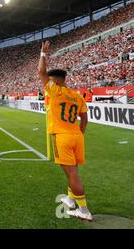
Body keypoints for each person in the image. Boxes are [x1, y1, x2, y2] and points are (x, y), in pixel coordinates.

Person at [38, 41, 93, 221]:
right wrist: (79, 134)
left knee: (72, 173)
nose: (49, 81)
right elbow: (84, 119)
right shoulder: (77, 95)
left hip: (62, 137)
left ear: (56, 80)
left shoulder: (55, 91)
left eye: (51, 79)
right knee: (73, 170)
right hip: (76, 136)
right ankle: (70, 199)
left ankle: (84, 210)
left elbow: (41, 73)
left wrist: (43, 54)